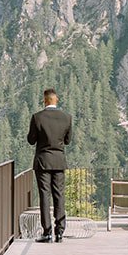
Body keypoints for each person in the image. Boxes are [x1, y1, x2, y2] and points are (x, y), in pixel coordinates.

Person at [27, 88, 73, 243]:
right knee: (59, 195)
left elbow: (31, 140)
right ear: (56, 99)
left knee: (44, 196)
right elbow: (67, 141)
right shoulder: (66, 118)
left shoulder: (37, 117)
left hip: (43, 161)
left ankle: (47, 232)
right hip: (59, 161)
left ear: (44, 100)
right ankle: (60, 231)